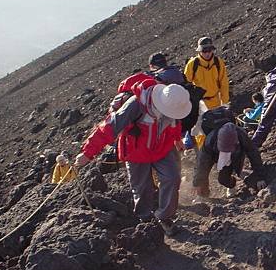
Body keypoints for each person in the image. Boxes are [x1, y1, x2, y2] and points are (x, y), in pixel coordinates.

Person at [74, 80, 191, 236]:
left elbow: (174, 124)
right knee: (142, 189)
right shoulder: (136, 105)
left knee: (172, 178)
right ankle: (146, 221)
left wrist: (177, 139)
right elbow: (108, 128)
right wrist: (88, 153)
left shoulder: (173, 105)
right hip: (136, 153)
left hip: (162, 148)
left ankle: (164, 217)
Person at [193, 122, 267, 198]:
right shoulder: (209, 142)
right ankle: (203, 197)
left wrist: (260, 177)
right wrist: (197, 183)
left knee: (223, 179)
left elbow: (253, 154)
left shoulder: (242, 136)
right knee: (201, 181)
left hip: (233, 154)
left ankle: (232, 185)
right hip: (213, 153)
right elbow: (201, 164)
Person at [184, 37, 229, 146]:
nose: (208, 53)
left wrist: (225, 102)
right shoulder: (192, 64)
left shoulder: (218, 63)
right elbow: (186, 84)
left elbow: (224, 83)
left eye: (210, 50)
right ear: (199, 51)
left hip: (216, 101)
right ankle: (204, 155)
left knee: (219, 128)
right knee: (201, 132)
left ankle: (218, 154)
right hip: (200, 103)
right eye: (204, 50)